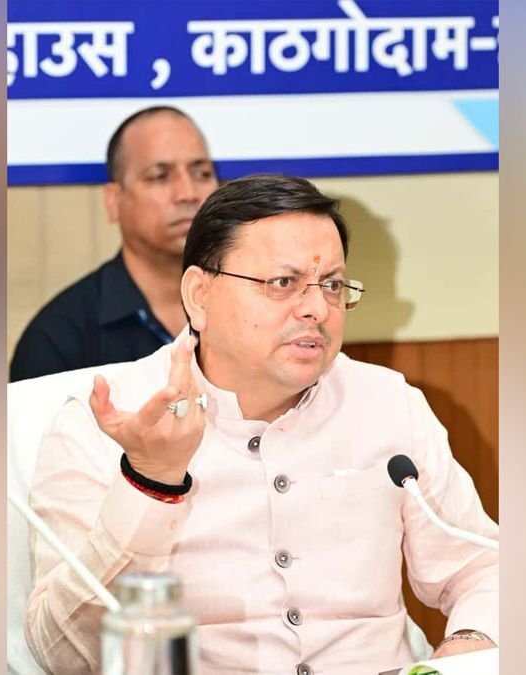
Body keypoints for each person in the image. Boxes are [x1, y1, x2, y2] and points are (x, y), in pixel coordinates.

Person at [25, 175, 499, 674]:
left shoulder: (387, 403)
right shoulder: (106, 424)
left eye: (332, 285)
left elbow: (480, 566)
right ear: (200, 295)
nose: (317, 308)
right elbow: (63, 655)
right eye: (282, 283)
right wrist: (149, 480)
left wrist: (472, 640)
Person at [9, 106, 218, 382]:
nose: (188, 193)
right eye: (160, 176)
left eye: (202, 174)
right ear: (113, 200)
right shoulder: (58, 339)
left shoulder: (248, 307)